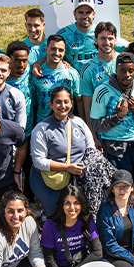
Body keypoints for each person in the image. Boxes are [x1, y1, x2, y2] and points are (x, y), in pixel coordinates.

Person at [26, 86, 96, 216]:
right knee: (56, 216)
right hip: (50, 181)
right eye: (58, 102)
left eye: (66, 102)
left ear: (71, 103)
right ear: (50, 104)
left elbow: (91, 148)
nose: (62, 105)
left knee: (80, 215)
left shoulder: (79, 123)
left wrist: (84, 168)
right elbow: (38, 161)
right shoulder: (41, 129)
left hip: (79, 176)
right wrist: (67, 167)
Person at [90, 53, 134, 190]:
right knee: (118, 185)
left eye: (131, 71)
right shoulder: (102, 91)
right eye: (122, 71)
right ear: (116, 71)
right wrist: (117, 117)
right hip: (114, 147)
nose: (127, 75)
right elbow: (95, 125)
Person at [41, 185, 104, 267]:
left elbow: (98, 252)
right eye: (67, 203)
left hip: (82, 266)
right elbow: (49, 259)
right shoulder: (50, 225)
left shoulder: (87, 220)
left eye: (76, 203)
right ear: (61, 205)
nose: (72, 208)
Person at [29, 35, 79, 128]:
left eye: (60, 50)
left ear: (64, 52)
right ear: (46, 49)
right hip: (43, 125)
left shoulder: (72, 73)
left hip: (67, 125)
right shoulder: (36, 74)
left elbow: (79, 101)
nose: (57, 53)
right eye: (53, 49)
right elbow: (33, 103)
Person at [78, 22, 119, 123]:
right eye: (103, 38)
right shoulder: (87, 69)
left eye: (110, 38)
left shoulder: (124, 62)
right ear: (95, 40)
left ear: (116, 40)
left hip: (125, 126)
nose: (107, 42)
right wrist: (92, 133)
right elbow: (87, 106)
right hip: (100, 125)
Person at [54, 0, 98, 75]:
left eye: (88, 12)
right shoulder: (62, 34)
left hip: (96, 79)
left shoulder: (101, 32)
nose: (85, 16)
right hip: (72, 79)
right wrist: (61, 63)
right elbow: (52, 57)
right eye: (81, 12)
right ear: (75, 14)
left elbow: (122, 45)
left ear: (93, 14)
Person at [4, 40, 34, 132]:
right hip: (9, 130)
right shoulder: (2, 79)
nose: (22, 65)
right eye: (17, 61)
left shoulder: (30, 71)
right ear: (9, 59)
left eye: (24, 60)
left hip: (29, 129)